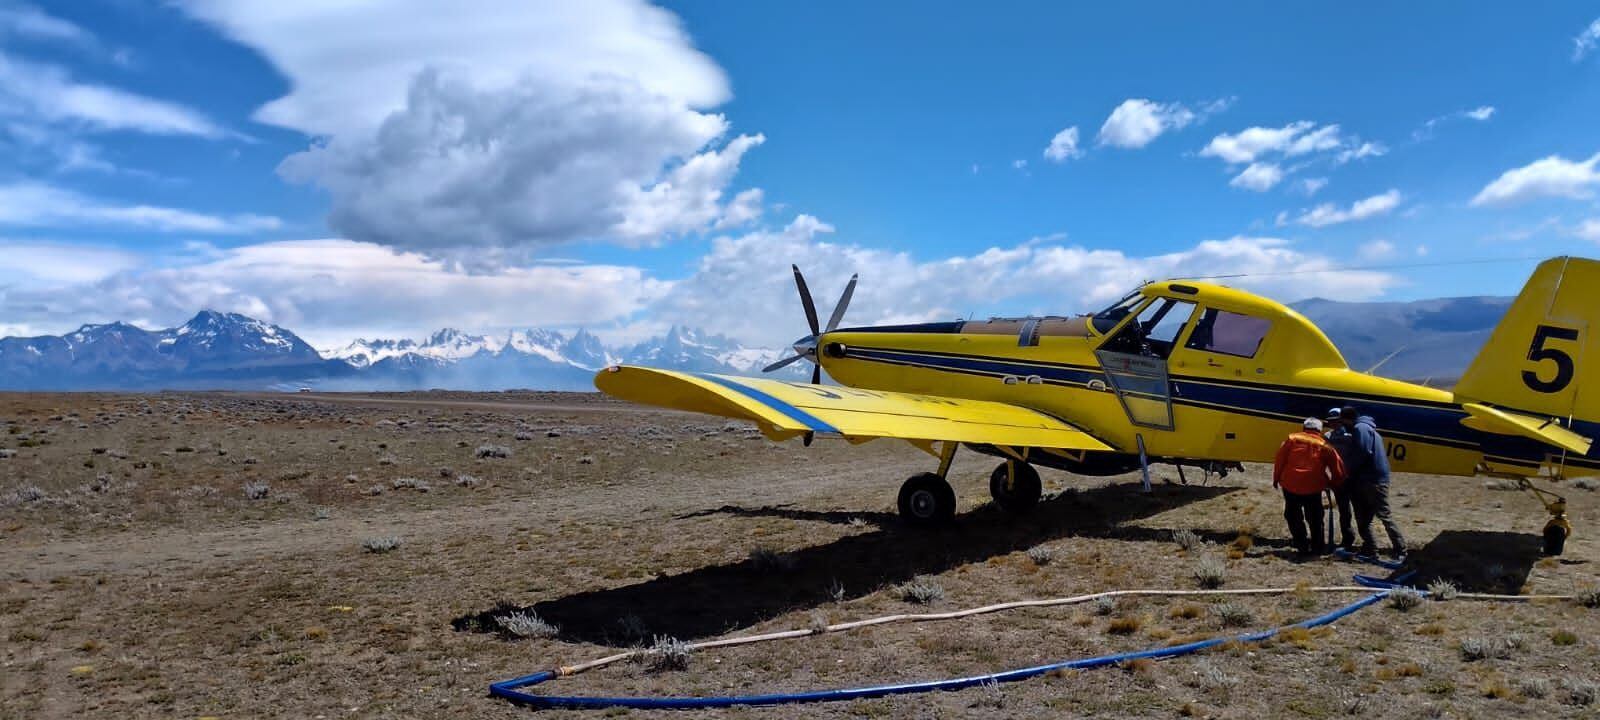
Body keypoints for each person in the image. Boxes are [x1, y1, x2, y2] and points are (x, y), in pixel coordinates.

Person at [1339, 405, 1408, 560]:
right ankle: (1370, 549)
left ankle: (1400, 549)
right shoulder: (1370, 429)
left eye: (1343, 422)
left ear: (1347, 419)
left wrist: (1347, 471)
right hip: (1372, 479)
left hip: (1371, 480)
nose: (1343, 426)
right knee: (1365, 518)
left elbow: (1362, 452)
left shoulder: (1360, 428)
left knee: (1383, 516)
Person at [1273, 417, 1346, 557]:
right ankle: (1317, 547)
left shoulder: (1292, 439)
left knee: (1293, 516)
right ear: (1319, 430)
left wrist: (1276, 479)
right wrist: (1334, 483)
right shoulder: (1324, 444)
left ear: (1304, 428)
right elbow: (1338, 466)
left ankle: (1302, 545)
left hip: (1290, 485)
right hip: (1313, 487)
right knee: (1315, 518)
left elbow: (1280, 459)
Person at [1323, 407, 1359, 552]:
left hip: (1354, 478)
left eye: (1337, 421)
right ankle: (1348, 539)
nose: (1334, 424)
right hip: (1339, 480)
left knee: (1359, 511)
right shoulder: (1327, 436)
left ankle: (1368, 542)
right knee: (1344, 512)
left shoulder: (1353, 434)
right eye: (1331, 421)